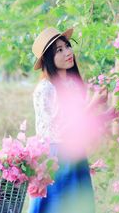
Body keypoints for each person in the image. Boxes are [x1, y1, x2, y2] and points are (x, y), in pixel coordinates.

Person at [28, 27, 108, 213]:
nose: (68, 52)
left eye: (67, 46)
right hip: (56, 157)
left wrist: (109, 112)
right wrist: (93, 104)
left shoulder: (72, 84)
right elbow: (59, 130)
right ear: (48, 58)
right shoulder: (45, 89)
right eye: (59, 50)